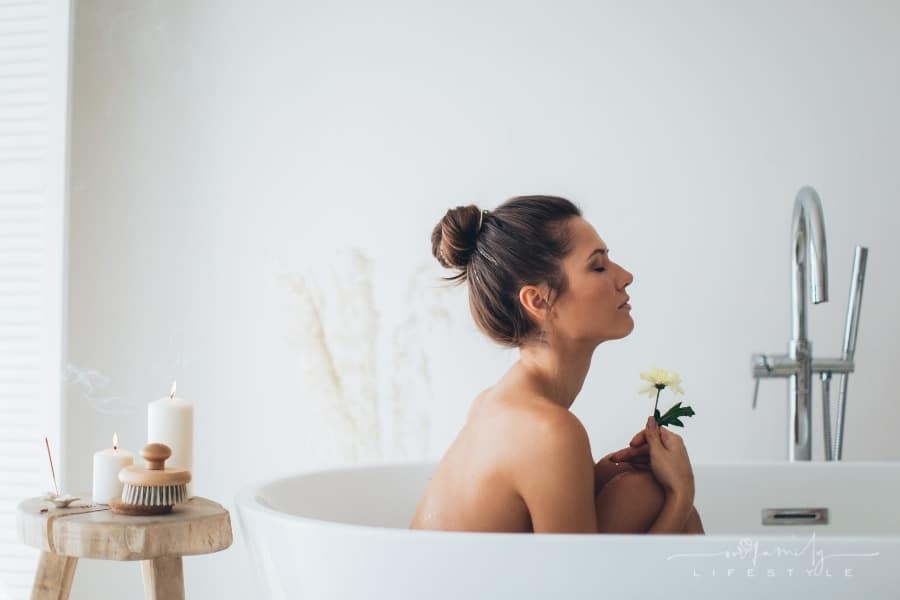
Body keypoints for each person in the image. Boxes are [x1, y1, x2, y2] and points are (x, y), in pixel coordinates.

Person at [409, 195, 704, 534]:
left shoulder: (495, 402)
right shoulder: (548, 431)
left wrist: (599, 474)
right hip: (472, 589)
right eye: (598, 267)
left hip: (458, 584)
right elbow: (577, 588)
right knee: (649, 495)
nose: (625, 276)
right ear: (538, 300)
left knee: (637, 487)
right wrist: (681, 493)